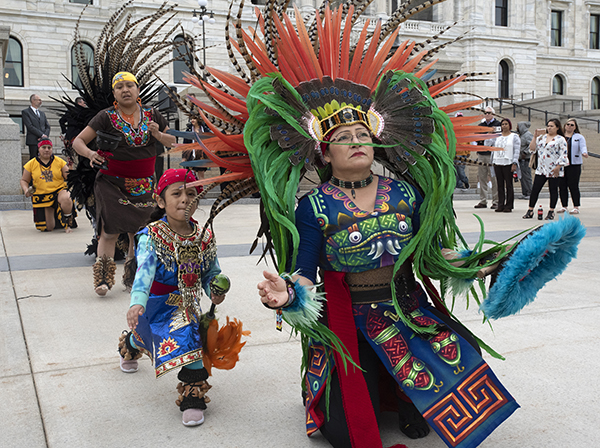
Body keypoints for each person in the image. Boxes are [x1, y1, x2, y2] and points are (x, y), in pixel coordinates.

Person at [119, 169, 225, 427]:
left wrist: (215, 288)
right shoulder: (152, 236)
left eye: (191, 194)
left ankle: (193, 396)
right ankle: (129, 346)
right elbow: (144, 271)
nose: (184, 200)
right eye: (176, 194)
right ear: (160, 200)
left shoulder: (205, 235)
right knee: (142, 335)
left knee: (191, 340)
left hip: (188, 306)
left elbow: (212, 270)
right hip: (155, 303)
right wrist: (137, 302)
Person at [72, 72, 176, 296]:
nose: (125, 90)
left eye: (130, 85)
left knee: (139, 233)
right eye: (120, 87)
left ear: (137, 90)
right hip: (112, 183)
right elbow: (78, 141)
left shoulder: (153, 114)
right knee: (109, 231)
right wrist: (90, 154)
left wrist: (157, 134)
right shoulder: (105, 117)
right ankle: (103, 279)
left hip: (145, 184)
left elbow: (173, 141)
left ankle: (134, 278)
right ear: (114, 94)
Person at [20, 139, 75, 232]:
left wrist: (70, 166)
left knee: (66, 197)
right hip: (43, 196)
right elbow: (24, 180)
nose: (46, 150)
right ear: (39, 149)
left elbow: (68, 176)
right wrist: (26, 190)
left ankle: (68, 220)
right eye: (43, 147)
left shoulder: (59, 161)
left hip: (58, 191)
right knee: (49, 228)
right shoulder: (31, 163)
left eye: (49, 147)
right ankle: (56, 219)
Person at [523, 118, 569, 220]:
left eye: (552, 126)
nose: (549, 128)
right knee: (535, 189)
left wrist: (558, 167)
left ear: (557, 127)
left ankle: (551, 211)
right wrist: (535, 137)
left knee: (553, 190)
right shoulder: (542, 138)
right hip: (542, 168)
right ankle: (530, 210)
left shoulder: (560, 139)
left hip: (553, 168)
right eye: (548, 126)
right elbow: (532, 149)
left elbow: (563, 154)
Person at [557, 118, 588, 214]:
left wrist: (584, 152)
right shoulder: (560, 137)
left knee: (573, 185)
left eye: (572, 125)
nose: (569, 126)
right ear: (565, 126)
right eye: (568, 124)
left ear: (575, 127)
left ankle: (576, 206)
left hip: (574, 164)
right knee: (562, 185)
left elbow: (583, 146)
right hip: (562, 164)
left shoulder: (579, 137)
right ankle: (564, 206)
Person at [488, 118, 520, 212]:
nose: (504, 126)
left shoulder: (514, 136)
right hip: (498, 162)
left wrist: (514, 162)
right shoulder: (497, 136)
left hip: (508, 162)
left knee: (509, 185)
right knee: (499, 184)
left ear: (509, 125)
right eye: (502, 124)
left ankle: (509, 205)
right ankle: (500, 204)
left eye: (506, 124)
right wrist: (490, 134)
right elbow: (488, 144)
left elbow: (516, 150)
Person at [474, 106, 500, 209]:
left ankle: (496, 200)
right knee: (482, 177)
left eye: (489, 113)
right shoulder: (481, 125)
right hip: (482, 153)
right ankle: (483, 200)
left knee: (494, 178)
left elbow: (498, 138)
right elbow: (477, 139)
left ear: (493, 113)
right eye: (485, 113)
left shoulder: (497, 125)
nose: (487, 114)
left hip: (492, 154)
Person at [22, 94, 51, 160]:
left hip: (43, 141)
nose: (40, 102)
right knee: (34, 160)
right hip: (33, 141)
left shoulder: (42, 113)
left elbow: (47, 126)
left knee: (43, 159)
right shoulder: (26, 112)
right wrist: (41, 135)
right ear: (33, 101)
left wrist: (44, 136)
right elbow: (29, 126)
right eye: (39, 100)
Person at [516, 121, 533, 199]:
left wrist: (525, 152)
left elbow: (532, 145)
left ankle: (530, 192)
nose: (517, 128)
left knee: (526, 176)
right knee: (522, 177)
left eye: (518, 126)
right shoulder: (520, 135)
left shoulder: (528, 135)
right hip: (520, 160)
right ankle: (524, 192)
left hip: (525, 159)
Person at [454, 112, 470, 190]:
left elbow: (468, 140)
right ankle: (462, 183)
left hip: (464, 152)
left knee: (461, 169)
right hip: (456, 153)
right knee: (458, 170)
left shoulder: (465, 129)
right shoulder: (453, 129)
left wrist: (468, 152)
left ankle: (462, 183)